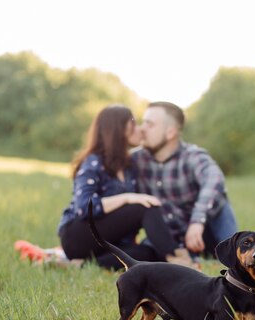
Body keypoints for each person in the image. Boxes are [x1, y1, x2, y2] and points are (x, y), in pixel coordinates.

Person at [57, 105, 195, 269]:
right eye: (134, 125)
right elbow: (84, 207)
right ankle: (177, 260)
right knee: (144, 206)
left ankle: (80, 265)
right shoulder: (94, 162)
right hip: (78, 237)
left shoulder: (130, 166)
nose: (140, 129)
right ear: (119, 130)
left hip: (109, 242)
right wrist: (127, 198)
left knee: (148, 254)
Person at [132, 101, 238, 257]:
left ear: (170, 132)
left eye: (149, 124)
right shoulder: (136, 160)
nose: (142, 129)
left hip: (205, 235)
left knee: (219, 199)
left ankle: (232, 253)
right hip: (170, 240)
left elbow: (214, 178)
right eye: (143, 123)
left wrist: (197, 221)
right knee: (143, 253)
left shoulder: (192, 156)